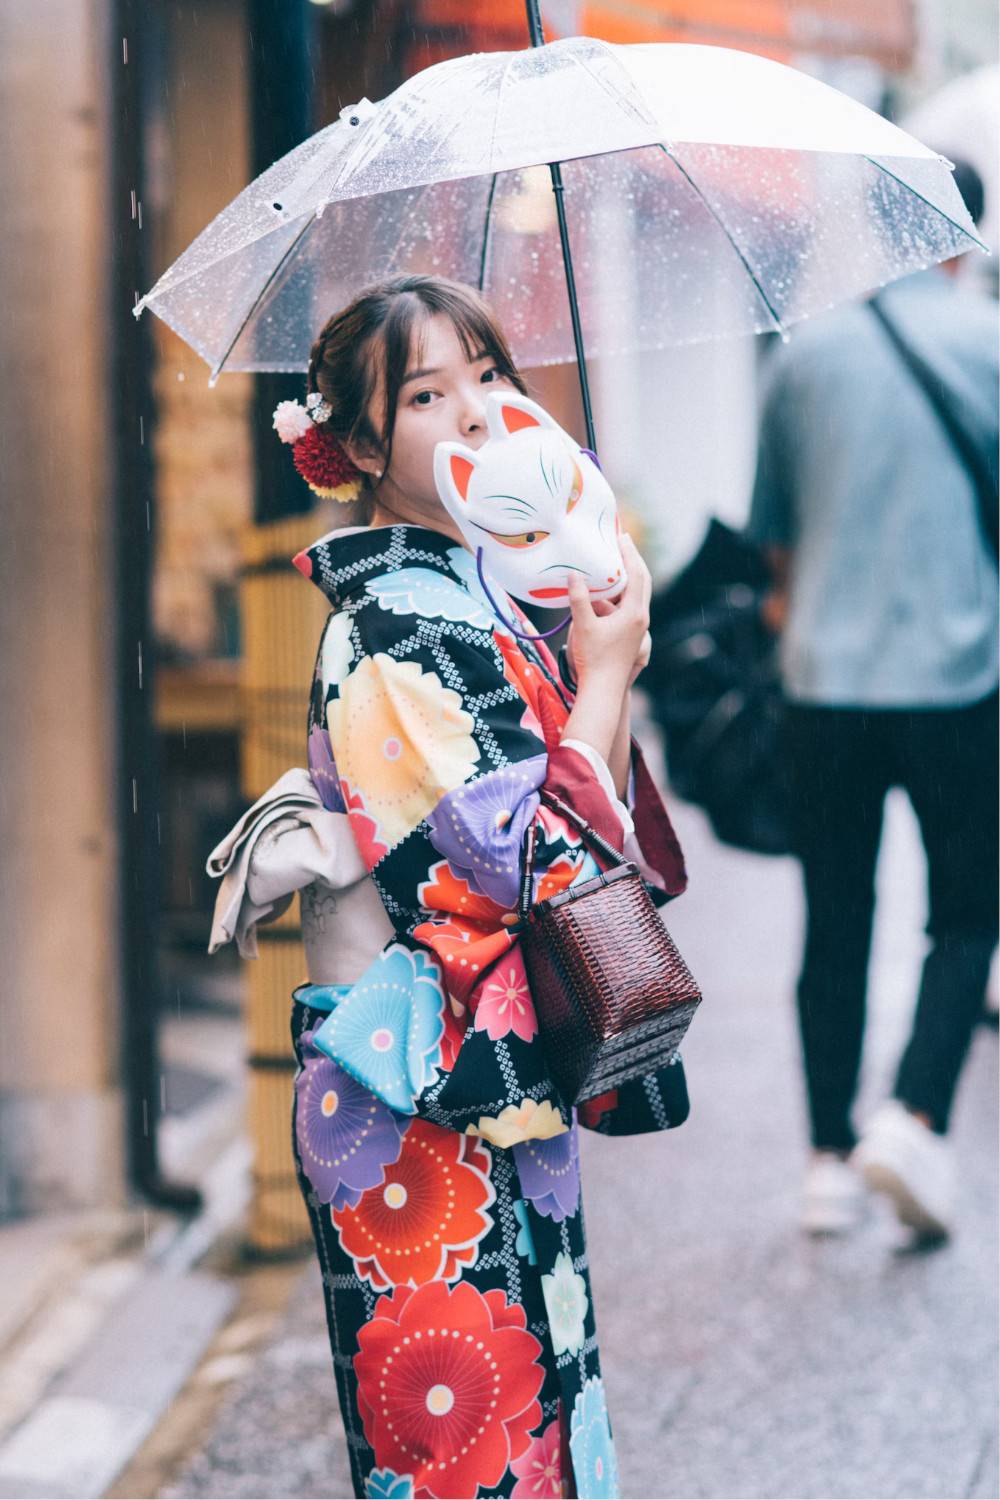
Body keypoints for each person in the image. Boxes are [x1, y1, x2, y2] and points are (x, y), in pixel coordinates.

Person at [217, 275, 692, 1499]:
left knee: (538, 1401)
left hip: (478, 1065)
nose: (478, 412)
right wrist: (599, 675)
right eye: (429, 393)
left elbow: (575, 838)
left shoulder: (470, 599)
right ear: (362, 444)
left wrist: (591, 646)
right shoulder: (392, 624)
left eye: (490, 377)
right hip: (417, 1080)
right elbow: (519, 865)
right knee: (466, 1440)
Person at [748, 164, 998, 1241]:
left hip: (823, 686)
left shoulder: (805, 355)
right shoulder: (987, 348)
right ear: (965, 235)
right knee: (966, 914)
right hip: (961, 678)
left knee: (835, 917)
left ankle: (824, 1164)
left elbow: (774, 537)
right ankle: (913, 1113)